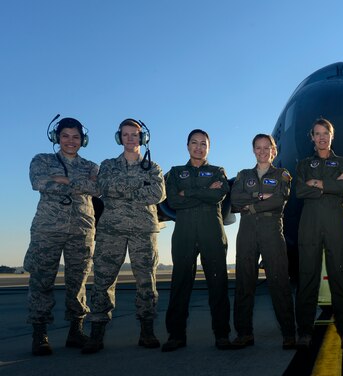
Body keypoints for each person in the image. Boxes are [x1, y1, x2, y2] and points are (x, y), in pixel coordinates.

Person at [82, 119, 166, 354]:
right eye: (126, 134)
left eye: (135, 134)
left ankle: (147, 331)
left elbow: (157, 193)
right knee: (103, 280)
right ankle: (96, 332)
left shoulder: (154, 167)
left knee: (146, 281)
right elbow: (104, 188)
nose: (130, 138)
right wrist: (139, 186)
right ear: (120, 138)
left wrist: (123, 189)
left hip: (143, 231)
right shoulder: (107, 165)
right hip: (112, 230)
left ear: (142, 138)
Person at [24, 116, 99, 355]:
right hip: (47, 229)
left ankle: (76, 331)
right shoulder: (42, 160)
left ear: (82, 140)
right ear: (57, 138)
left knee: (78, 283)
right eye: (65, 136)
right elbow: (39, 183)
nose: (70, 141)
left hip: (81, 230)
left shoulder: (91, 166)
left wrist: (64, 179)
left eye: (75, 136)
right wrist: (78, 183)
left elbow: (97, 188)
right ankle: (40, 334)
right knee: (42, 280)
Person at [161, 129, 234, 351]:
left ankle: (222, 334)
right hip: (184, 233)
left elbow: (218, 195)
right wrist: (203, 190)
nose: (199, 147)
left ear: (208, 148)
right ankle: (176, 335)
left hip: (211, 231)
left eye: (203, 144)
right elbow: (173, 200)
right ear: (187, 145)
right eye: (194, 143)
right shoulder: (175, 172)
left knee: (218, 283)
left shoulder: (217, 171)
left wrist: (188, 193)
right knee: (180, 283)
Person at [229, 134, 296, 350]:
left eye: (266, 147)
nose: (262, 151)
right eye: (258, 148)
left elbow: (279, 199)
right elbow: (235, 199)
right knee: (244, 282)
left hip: (271, 230)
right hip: (247, 230)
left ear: (273, 150)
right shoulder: (243, 175)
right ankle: (244, 333)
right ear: (253, 150)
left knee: (279, 282)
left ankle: (288, 333)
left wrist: (253, 203)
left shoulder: (282, 174)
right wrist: (261, 196)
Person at [294, 118, 343, 348]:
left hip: (334, 224)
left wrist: (318, 183)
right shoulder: (303, 165)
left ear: (332, 136)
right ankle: (304, 331)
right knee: (307, 278)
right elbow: (299, 190)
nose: (321, 137)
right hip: (309, 225)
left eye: (325, 133)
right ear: (312, 137)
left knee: (339, 277)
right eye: (317, 134)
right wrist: (331, 185)